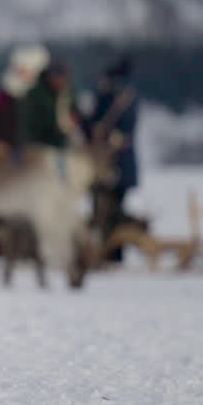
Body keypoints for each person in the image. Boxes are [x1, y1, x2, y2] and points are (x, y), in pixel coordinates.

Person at [85, 56, 139, 263]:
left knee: (114, 210)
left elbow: (126, 128)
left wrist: (115, 137)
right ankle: (103, 251)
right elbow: (94, 123)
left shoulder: (125, 98)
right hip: (101, 161)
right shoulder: (108, 97)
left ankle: (114, 252)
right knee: (101, 209)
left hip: (118, 162)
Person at [0, 45, 49, 153]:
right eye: (20, 68)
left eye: (26, 69)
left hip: (34, 148)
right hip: (6, 146)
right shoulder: (6, 90)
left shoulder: (40, 92)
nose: (22, 72)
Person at [21, 61, 82, 150]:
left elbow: (75, 111)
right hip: (39, 144)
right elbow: (28, 121)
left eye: (64, 78)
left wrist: (75, 118)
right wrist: (53, 126)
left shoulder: (67, 93)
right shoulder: (35, 94)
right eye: (58, 78)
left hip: (64, 142)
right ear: (50, 77)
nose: (62, 82)